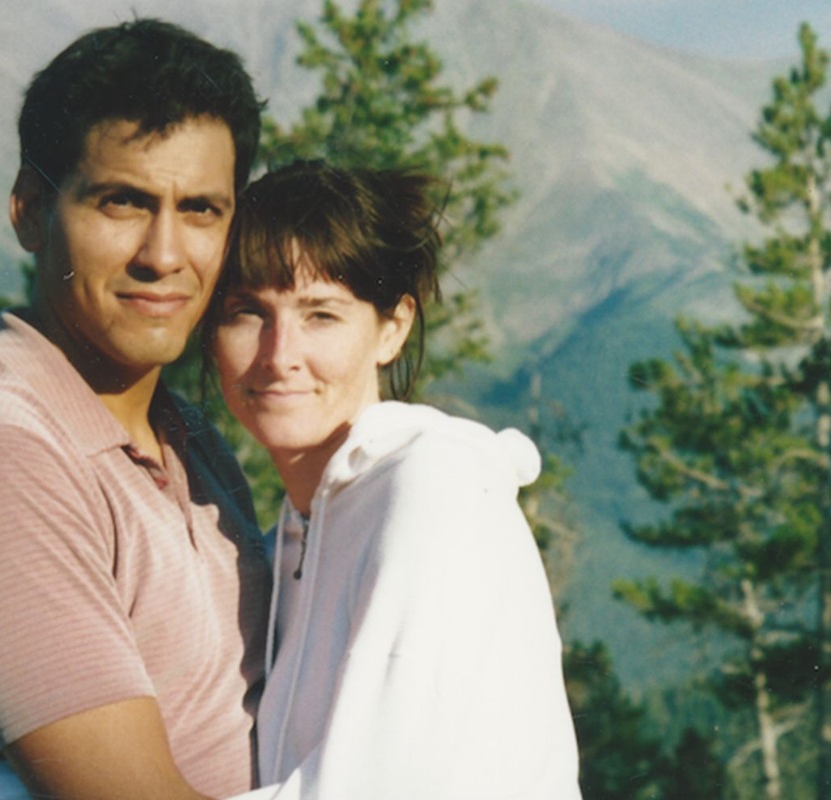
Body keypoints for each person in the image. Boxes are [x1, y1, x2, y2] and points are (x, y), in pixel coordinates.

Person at [0, 18, 271, 800]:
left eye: (204, 210)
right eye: (122, 202)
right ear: (29, 211)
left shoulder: (185, 434)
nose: (164, 254)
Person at [209, 160, 582, 798]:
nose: (278, 355)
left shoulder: (433, 488)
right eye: (248, 312)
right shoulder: (290, 541)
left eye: (320, 315)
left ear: (393, 328)